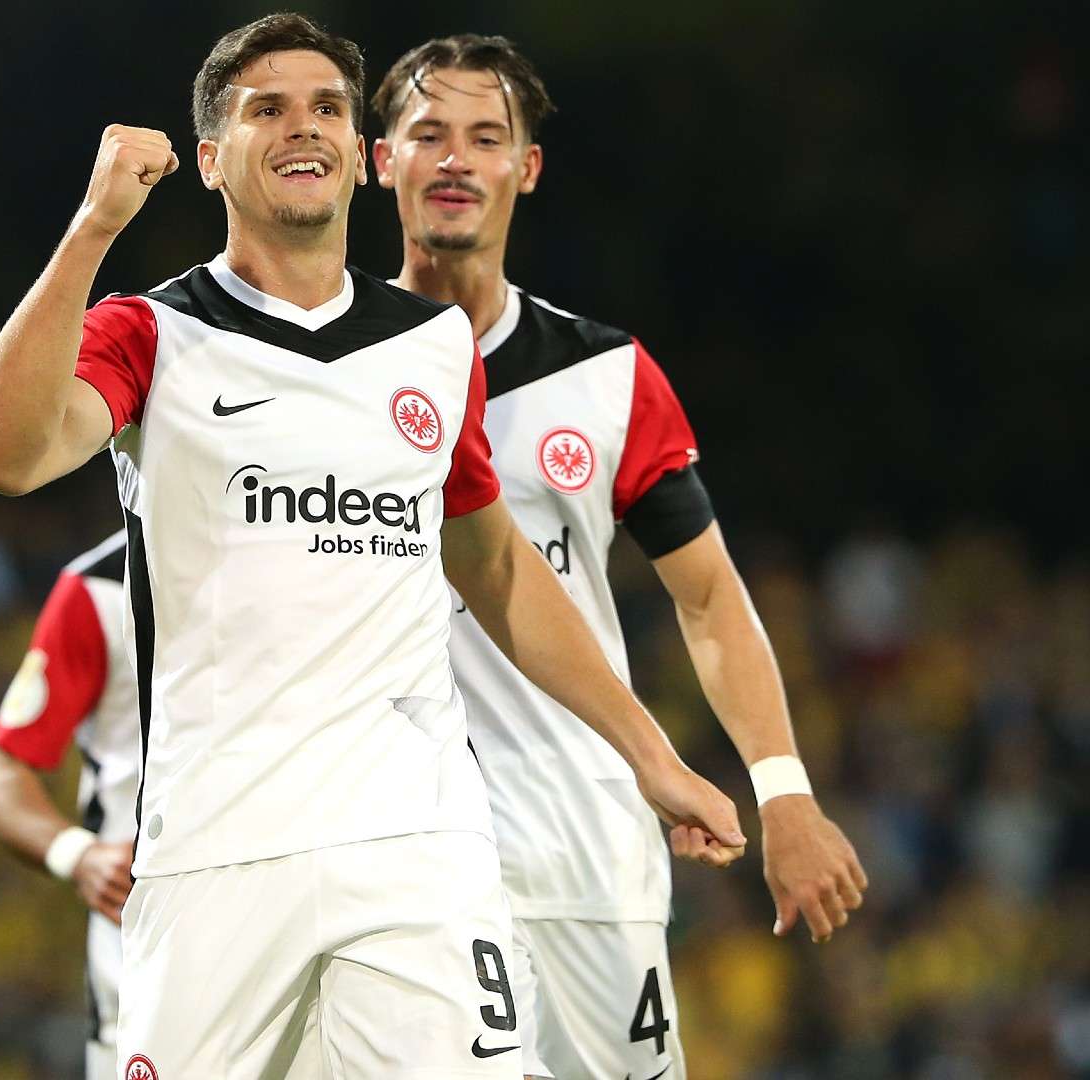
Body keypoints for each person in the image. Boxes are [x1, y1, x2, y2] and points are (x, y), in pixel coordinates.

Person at [0, 14, 744, 1077]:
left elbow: (496, 568)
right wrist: (94, 227)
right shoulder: (151, 333)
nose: (304, 126)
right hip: (218, 848)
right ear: (210, 158)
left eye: (326, 106)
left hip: (413, 843)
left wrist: (652, 756)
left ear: (359, 154)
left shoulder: (432, 346)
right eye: (267, 109)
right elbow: (3, 455)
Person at [369, 35, 869, 1080]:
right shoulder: (324, 368)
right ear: (382, 160)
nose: (455, 159)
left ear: (527, 168)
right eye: (428, 133)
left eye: (486, 137)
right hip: (395, 852)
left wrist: (782, 790)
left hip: (582, 848)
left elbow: (709, 599)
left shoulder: (606, 377)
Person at [0, 531, 138, 1077]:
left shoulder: (330, 552)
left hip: (306, 917)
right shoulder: (99, 588)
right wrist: (78, 855)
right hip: (143, 942)